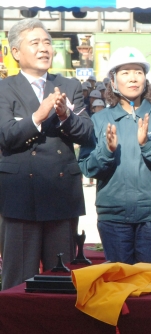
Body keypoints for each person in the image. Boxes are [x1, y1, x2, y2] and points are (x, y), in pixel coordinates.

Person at [0, 18, 93, 290]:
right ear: (16, 52)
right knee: (17, 279)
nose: (44, 48)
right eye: (35, 43)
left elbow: (87, 133)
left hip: (60, 192)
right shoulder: (4, 88)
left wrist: (65, 116)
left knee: (59, 280)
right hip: (19, 196)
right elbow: (5, 134)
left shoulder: (69, 84)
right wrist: (38, 116)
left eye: (47, 42)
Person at [78, 47, 151, 265]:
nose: (133, 78)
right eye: (125, 73)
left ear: (145, 79)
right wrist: (107, 151)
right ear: (113, 79)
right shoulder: (99, 120)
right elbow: (88, 168)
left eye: (138, 72)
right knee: (118, 284)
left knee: (150, 284)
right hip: (114, 216)